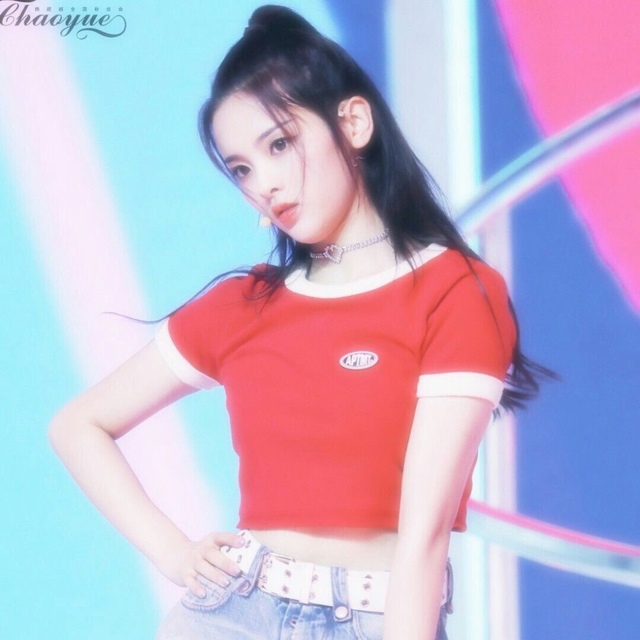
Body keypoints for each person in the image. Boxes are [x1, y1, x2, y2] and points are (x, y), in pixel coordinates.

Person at [49, 5, 547, 639]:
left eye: (279, 145)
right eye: (242, 169)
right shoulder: (243, 305)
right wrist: (175, 555)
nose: (265, 184)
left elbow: (422, 538)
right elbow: (77, 426)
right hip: (235, 614)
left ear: (354, 123)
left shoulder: (454, 292)